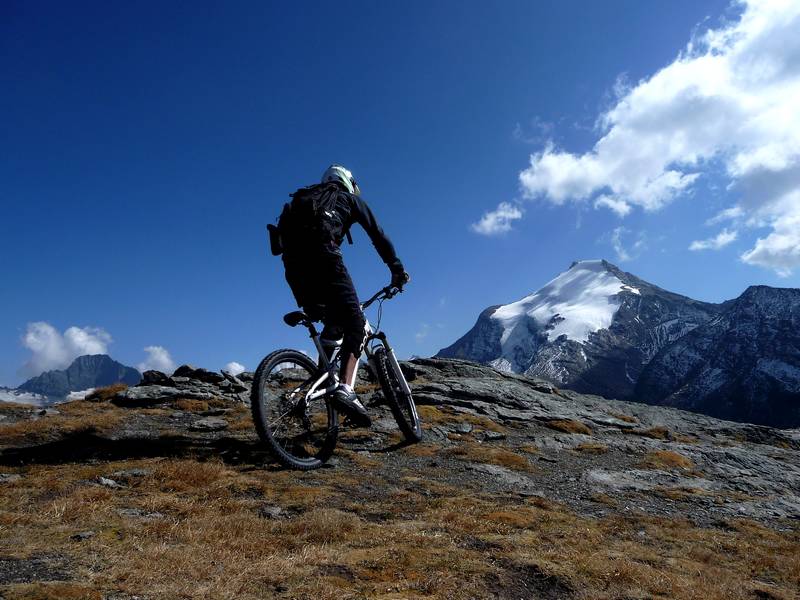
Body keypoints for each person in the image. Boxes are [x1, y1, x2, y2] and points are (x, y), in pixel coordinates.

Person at [275, 165, 409, 427]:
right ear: (347, 181)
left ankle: (312, 388)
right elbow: (378, 235)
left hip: (294, 270)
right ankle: (346, 389)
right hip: (325, 259)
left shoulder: (305, 200)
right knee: (356, 322)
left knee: (333, 324)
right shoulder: (349, 199)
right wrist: (397, 270)